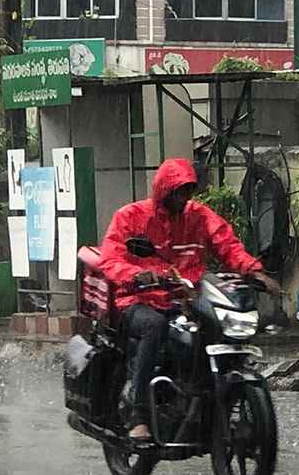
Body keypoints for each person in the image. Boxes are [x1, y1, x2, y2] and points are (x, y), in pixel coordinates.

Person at [97, 158, 280, 446]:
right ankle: (139, 414)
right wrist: (137, 275)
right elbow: (109, 258)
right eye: (177, 192)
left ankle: (201, 399)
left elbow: (228, 246)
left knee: (214, 329)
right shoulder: (131, 217)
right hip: (138, 299)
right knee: (154, 327)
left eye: (187, 192)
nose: (183, 198)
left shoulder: (200, 217)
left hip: (186, 299)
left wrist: (253, 271)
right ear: (163, 191)